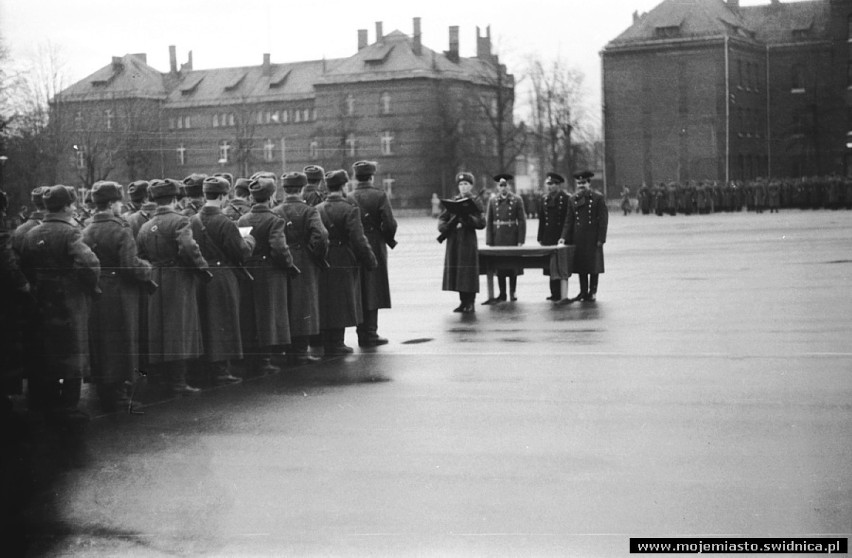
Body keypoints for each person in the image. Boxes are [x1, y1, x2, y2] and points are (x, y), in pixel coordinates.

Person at [19, 185, 100, 419]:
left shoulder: (31, 233)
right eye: (72, 204)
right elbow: (89, 263)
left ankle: (47, 400)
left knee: (46, 349)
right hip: (68, 297)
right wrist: (89, 286)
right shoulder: (71, 232)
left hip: (41, 297)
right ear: (66, 207)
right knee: (73, 347)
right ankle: (68, 404)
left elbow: (24, 265)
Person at [82, 181, 153, 413]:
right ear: (112, 203)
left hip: (96, 290)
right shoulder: (120, 228)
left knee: (102, 341)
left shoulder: (86, 228)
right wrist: (147, 268)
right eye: (118, 202)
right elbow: (130, 265)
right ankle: (120, 394)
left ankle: (104, 389)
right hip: (121, 292)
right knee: (123, 340)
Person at [136, 178, 209, 396]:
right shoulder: (180, 221)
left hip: (156, 277)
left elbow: (139, 255)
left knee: (159, 328)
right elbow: (188, 247)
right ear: (176, 198)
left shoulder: (145, 225)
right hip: (178, 278)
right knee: (180, 329)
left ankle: (161, 378)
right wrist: (201, 267)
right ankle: (178, 381)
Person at [190, 176, 256, 386]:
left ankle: (205, 368)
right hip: (222, 276)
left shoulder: (193, 219)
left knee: (206, 322)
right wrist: (249, 240)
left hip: (201, 275)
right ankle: (221, 370)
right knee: (224, 322)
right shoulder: (224, 221)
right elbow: (241, 252)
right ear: (222, 196)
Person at [315, 170, 377, 355]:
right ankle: (337, 342)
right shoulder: (350, 209)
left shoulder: (317, 208)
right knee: (342, 299)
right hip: (344, 256)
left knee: (327, 298)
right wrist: (370, 260)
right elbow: (358, 239)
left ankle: (329, 340)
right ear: (343, 186)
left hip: (325, 256)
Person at [274, 172, 329, 363]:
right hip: (305, 261)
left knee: (286, 303)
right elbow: (321, 236)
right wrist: (316, 254)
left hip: (282, 261)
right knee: (305, 304)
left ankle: (287, 349)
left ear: (284, 189)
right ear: (302, 189)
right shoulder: (309, 211)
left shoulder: (276, 210)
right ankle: (300, 351)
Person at [347, 160, 397, 347]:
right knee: (374, 287)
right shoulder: (379, 195)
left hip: (355, 244)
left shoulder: (349, 196)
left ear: (355, 176)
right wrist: (386, 237)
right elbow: (390, 223)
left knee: (359, 288)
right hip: (375, 243)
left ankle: (361, 331)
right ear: (371, 176)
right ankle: (371, 332)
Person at [439, 172, 485, 313]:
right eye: (460, 184)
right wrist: (444, 227)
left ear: (471, 186)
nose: (463, 187)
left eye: (466, 184)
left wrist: (468, 219)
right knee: (458, 272)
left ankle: (470, 302)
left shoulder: (475, 201)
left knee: (468, 272)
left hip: (467, 240)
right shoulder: (454, 201)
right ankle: (462, 301)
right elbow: (443, 218)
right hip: (454, 241)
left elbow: (481, 222)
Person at [558, 171, 608, 302]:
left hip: (593, 237)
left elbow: (603, 220)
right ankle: (583, 291)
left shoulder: (598, 198)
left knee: (593, 266)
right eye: (579, 183)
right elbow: (569, 220)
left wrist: (601, 238)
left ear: (589, 183)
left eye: (584, 183)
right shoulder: (573, 199)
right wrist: (563, 236)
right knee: (581, 266)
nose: (581, 185)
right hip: (578, 237)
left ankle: (593, 292)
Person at [483, 173, 526, 304]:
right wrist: (489, 240)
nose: (503, 188)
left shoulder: (517, 200)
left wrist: (520, 239)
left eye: (505, 185)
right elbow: (489, 221)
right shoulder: (492, 201)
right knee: (500, 266)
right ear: (497, 187)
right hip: (498, 237)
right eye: (500, 185)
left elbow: (522, 220)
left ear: (509, 185)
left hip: (512, 235)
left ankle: (512, 292)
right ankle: (502, 293)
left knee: (512, 265)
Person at [537, 172, 571, 302]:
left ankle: (562, 293)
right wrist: (540, 237)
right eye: (548, 184)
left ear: (558, 185)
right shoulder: (545, 199)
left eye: (552, 184)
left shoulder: (566, 199)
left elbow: (568, 219)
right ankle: (554, 293)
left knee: (561, 267)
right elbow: (542, 220)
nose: (549, 187)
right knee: (550, 267)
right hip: (548, 237)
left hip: (560, 236)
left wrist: (566, 236)